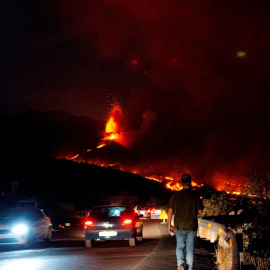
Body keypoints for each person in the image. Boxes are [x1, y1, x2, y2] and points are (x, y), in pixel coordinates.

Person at [167, 174, 204, 270]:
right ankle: (189, 268)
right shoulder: (195, 196)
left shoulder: (175, 196)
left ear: (181, 183)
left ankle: (180, 263)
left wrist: (169, 225)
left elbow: (170, 211)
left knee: (179, 247)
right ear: (190, 182)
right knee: (190, 249)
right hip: (192, 226)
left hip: (179, 226)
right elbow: (200, 212)